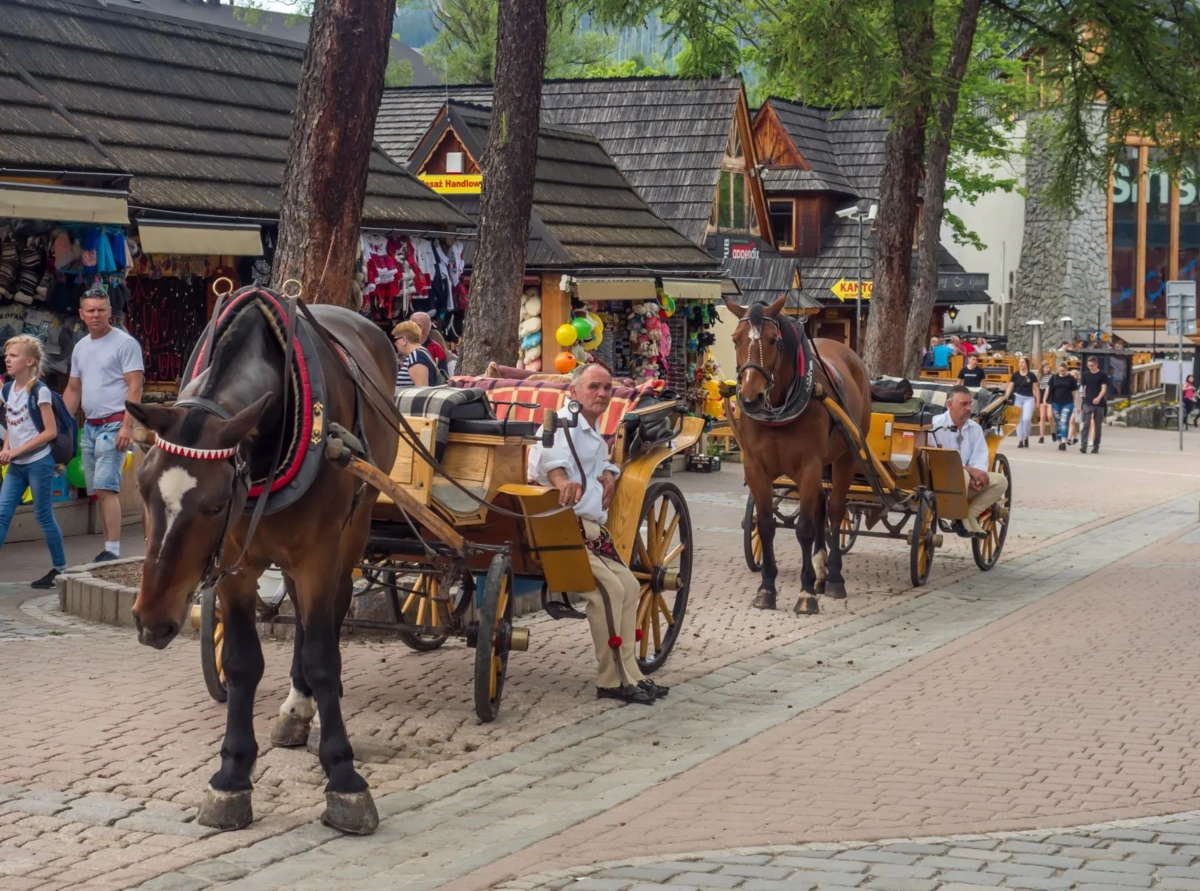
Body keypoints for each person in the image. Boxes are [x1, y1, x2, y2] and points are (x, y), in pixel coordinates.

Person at [527, 363, 667, 705]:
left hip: (591, 531)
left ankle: (631, 673)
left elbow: (597, 461)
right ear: (573, 392)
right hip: (565, 528)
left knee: (630, 585)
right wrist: (561, 480)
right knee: (609, 592)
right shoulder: (562, 422)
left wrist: (609, 474)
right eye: (594, 387)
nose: (602, 394)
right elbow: (548, 455)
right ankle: (612, 680)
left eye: (607, 388)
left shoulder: (590, 430)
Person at [63, 289, 143, 563]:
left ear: (110, 312)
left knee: (107, 489)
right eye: (91, 310)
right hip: (91, 426)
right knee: (98, 491)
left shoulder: (125, 343)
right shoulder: (81, 346)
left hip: (114, 423)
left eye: (101, 310)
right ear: (82, 314)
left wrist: (127, 426)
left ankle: (113, 550)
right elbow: (73, 388)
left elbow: (135, 386)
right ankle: (108, 547)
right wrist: (61, 424)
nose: (96, 315)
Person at [0, 336, 67, 588]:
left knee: (43, 516)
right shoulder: (8, 389)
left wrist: (16, 451)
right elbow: (12, 424)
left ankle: (60, 569)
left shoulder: (40, 391)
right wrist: (6, 448)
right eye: (7, 355)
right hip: (16, 466)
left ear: (29, 361)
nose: (7, 359)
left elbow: (49, 432)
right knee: (2, 514)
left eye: (13, 355)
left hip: (39, 463)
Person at [928, 385, 1009, 536]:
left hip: (968, 482)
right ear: (950, 404)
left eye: (970, 403)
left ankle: (971, 514)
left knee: (1001, 481)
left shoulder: (975, 428)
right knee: (962, 475)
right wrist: (969, 471)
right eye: (963, 404)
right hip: (941, 481)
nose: (969, 408)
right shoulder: (934, 425)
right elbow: (937, 460)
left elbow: (980, 457)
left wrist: (976, 477)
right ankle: (959, 516)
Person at [1004, 355, 1039, 449]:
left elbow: (1036, 389)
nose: (1020, 364)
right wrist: (1006, 397)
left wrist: (1037, 402)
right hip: (1017, 398)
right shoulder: (1015, 375)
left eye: (1022, 362)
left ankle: (1026, 436)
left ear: (1026, 364)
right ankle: (1020, 440)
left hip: (1029, 398)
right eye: (1019, 362)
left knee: (1026, 418)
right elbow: (1010, 387)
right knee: (1019, 420)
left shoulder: (1031, 375)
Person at [392, 320, 438, 390]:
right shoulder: (421, 353)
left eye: (396, 340)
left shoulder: (416, 356)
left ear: (404, 340)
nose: (395, 344)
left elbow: (421, 390)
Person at [1079, 355, 1109, 454]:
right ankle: (1083, 445)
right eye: (1089, 365)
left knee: (1097, 425)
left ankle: (1096, 446)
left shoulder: (1102, 375)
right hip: (1088, 402)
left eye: (1092, 365)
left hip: (1099, 403)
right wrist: (1084, 398)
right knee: (1086, 423)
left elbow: (1104, 389)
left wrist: (1098, 398)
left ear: (1096, 364)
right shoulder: (1086, 374)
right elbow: (1084, 387)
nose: (1090, 367)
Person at [1046, 363, 1079, 451]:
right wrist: (1045, 400)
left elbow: (1075, 393)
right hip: (1056, 403)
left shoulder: (1071, 379)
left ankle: (1064, 441)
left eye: (1063, 371)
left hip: (1068, 403)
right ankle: (1060, 441)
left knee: (1064, 421)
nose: (1062, 372)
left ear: (1066, 369)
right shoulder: (1054, 377)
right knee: (1058, 422)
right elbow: (1048, 389)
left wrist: (1078, 406)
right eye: (1060, 371)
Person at [408, 311, 448, 382]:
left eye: (409, 325)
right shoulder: (405, 345)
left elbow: (443, 376)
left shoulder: (435, 349)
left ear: (419, 327)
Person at [1036, 360, 1055, 443]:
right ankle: (1041, 436)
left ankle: (1053, 432)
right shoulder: (1039, 376)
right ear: (1042, 368)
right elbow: (1036, 387)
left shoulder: (1052, 375)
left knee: (1050, 416)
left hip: (1050, 395)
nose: (1048, 369)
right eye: (1046, 367)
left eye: (1049, 367)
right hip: (1042, 393)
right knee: (1043, 416)